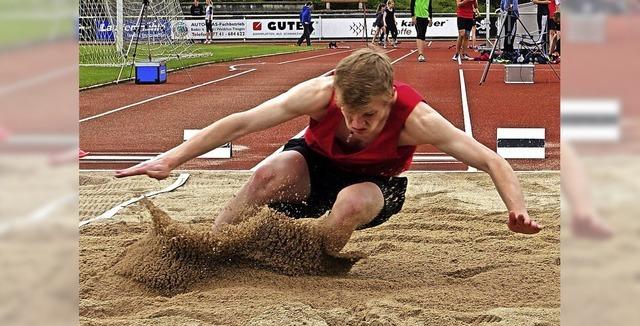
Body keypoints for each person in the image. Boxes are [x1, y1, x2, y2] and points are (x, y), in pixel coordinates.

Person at [115, 49, 541, 255]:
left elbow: (490, 159)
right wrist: (170, 159)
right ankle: (212, 244)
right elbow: (242, 121)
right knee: (267, 172)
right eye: (349, 112)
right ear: (337, 95)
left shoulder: (417, 119)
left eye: (369, 116)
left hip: (373, 184)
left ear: (390, 98)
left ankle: (313, 258)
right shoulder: (320, 94)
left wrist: (516, 210)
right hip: (313, 167)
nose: (356, 124)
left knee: (352, 201)